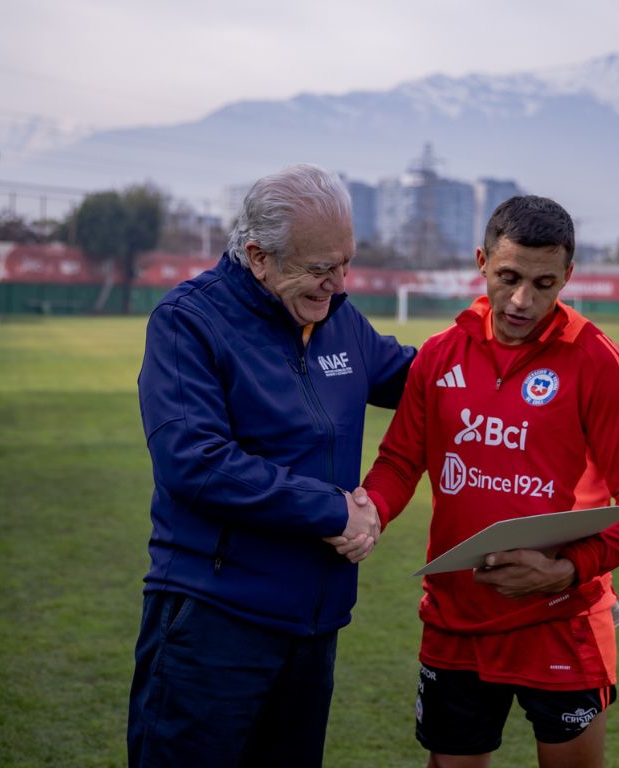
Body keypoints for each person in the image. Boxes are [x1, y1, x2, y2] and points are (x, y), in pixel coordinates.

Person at [362, 195, 619, 768]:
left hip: (562, 621)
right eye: (508, 278)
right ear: (481, 261)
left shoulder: (599, 362)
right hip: (456, 619)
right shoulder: (438, 355)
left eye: (544, 283)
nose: (523, 300)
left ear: (568, 277)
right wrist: (368, 511)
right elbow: (401, 462)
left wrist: (564, 569)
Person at [127, 164, 415, 768]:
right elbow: (195, 462)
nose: (338, 284)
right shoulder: (189, 323)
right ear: (258, 256)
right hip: (213, 623)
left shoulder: (340, 319)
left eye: (345, 263)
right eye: (319, 268)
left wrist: (501, 346)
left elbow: (425, 382)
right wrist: (332, 509)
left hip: (315, 627)